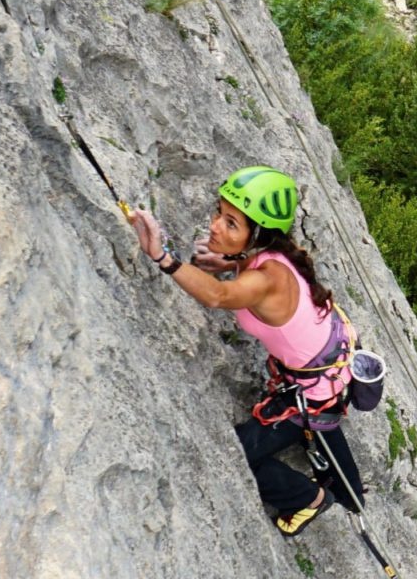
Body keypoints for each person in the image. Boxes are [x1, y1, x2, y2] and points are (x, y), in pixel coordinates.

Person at [128, 167, 364, 536]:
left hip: (314, 393)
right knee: (343, 478)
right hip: (330, 373)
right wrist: (228, 262)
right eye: (219, 214)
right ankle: (348, 493)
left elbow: (217, 295)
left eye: (232, 223)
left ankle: (307, 499)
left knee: (233, 454)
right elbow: (249, 275)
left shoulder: (266, 278)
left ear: (256, 234)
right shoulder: (273, 259)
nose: (216, 226)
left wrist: (162, 256)